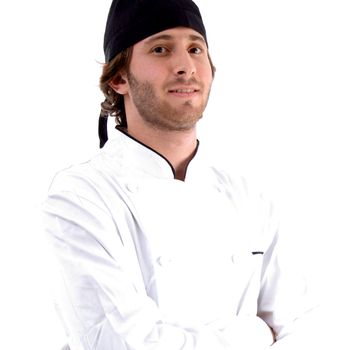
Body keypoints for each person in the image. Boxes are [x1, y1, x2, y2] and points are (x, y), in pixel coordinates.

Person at [42, 0, 319, 349]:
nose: (185, 66)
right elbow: (122, 343)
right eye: (160, 49)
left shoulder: (250, 197)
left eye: (195, 48)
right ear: (118, 77)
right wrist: (255, 333)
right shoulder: (82, 198)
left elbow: (304, 325)